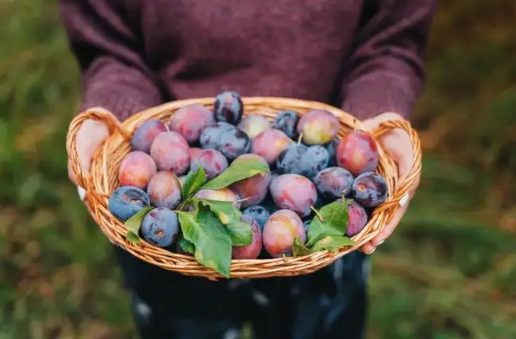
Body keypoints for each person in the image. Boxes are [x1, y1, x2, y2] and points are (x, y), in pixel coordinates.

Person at [60, 0, 433, 338]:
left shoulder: (311, 179)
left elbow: (391, 40)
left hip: (321, 231)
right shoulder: (169, 192)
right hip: (173, 247)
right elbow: (110, 48)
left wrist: (378, 115)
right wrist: (115, 115)